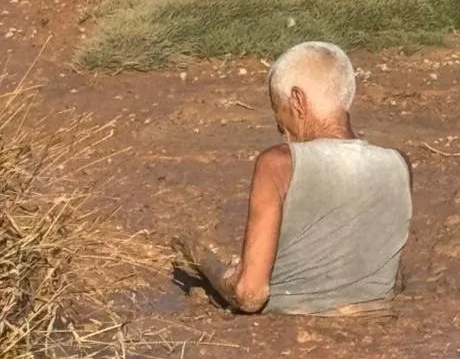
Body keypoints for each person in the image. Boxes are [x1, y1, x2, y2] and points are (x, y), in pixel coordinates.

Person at [173, 41, 412, 315]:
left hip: (288, 334)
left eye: (279, 110)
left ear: (298, 100)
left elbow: (250, 294)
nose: (279, 127)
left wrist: (205, 262)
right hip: (374, 332)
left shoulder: (278, 164)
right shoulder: (399, 164)